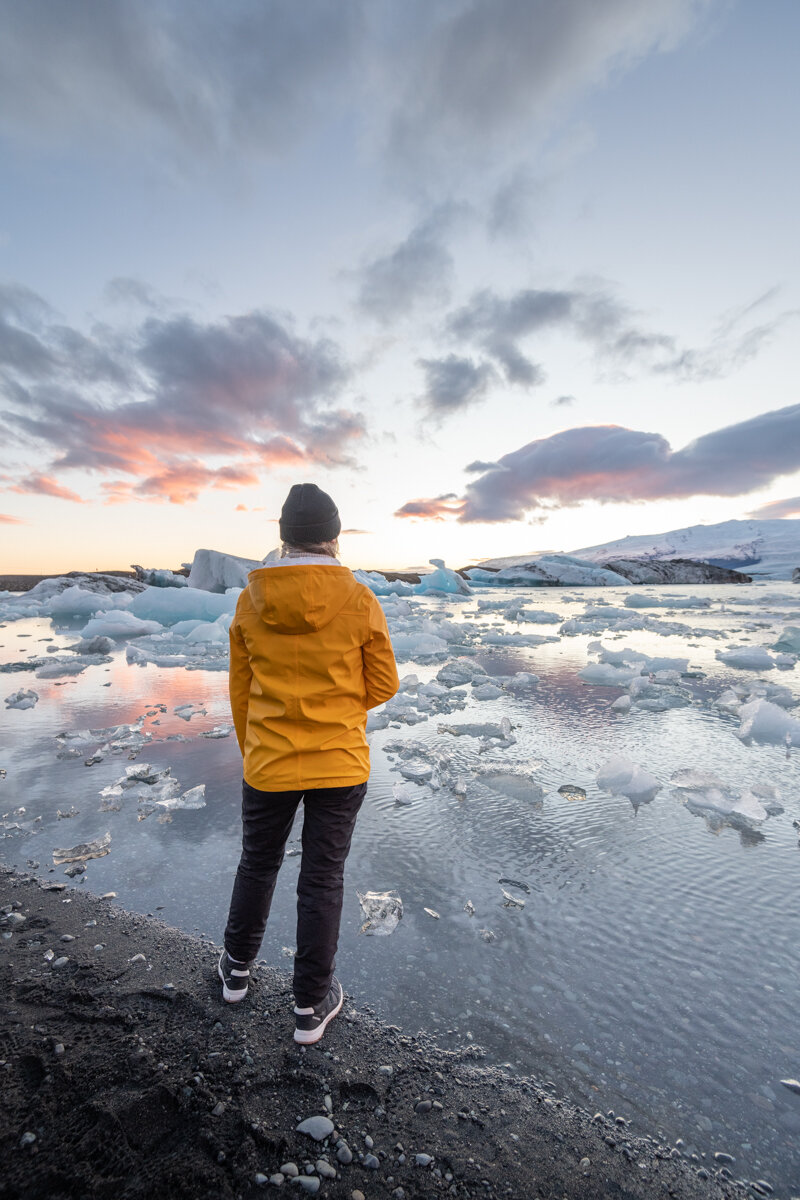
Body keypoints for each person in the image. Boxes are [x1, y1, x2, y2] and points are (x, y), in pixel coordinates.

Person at [219, 483, 399, 1044]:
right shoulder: (360, 598)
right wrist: (336, 712)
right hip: (340, 764)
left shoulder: (251, 601)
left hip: (269, 762)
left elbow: (241, 692)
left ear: (283, 537)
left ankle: (236, 972)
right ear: (334, 535)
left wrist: (259, 750)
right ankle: (309, 1004)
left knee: (258, 863)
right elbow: (384, 682)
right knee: (322, 877)